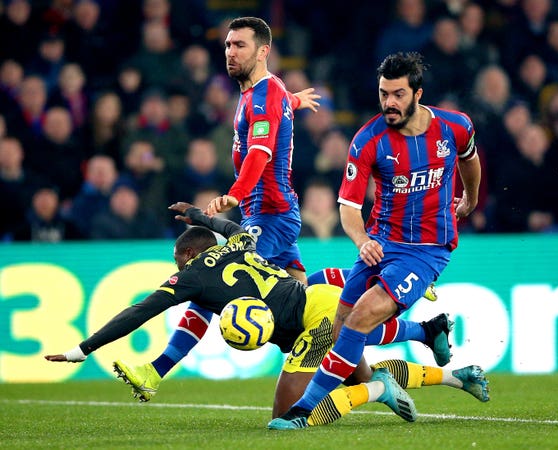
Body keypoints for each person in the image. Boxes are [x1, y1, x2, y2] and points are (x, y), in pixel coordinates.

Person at [45, 203, 489, 426]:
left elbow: (139, 311)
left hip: (311, 322)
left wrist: (83, 348)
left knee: (290, 416)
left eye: (178, 261)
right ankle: (452, 372)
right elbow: (235, 228)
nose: (176, 269)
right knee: (355, 356)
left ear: (186, 256)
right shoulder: (237, 245)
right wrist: (201, 215)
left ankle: (377, 389)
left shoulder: (194, 276)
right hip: (314, 304)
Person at [268, 51, 482, 430]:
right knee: (341, 330)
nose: (389, 103)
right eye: (384, 94)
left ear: (418, 93)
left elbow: (469, 158)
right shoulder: (369, 139)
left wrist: (471, 197)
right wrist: (361, 239)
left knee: (363, 316)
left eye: (398, 94)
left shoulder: (455, 126)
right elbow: (347, 206)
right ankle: (426, 332)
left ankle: (303, 412)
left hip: (427, 250)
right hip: (380, 244)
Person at [203, 17, 320, 286]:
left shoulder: (264, 95)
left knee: (225, 280)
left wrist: (235, 194)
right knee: (300, 298)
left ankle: (377, 282)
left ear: (262, 52)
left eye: (240, 45)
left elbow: (259, 153)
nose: (231, 52)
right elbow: (279, 102)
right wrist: (295, 100)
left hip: (271, 215)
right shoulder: (263, 92)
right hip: (266, 212)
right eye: (228, 45)